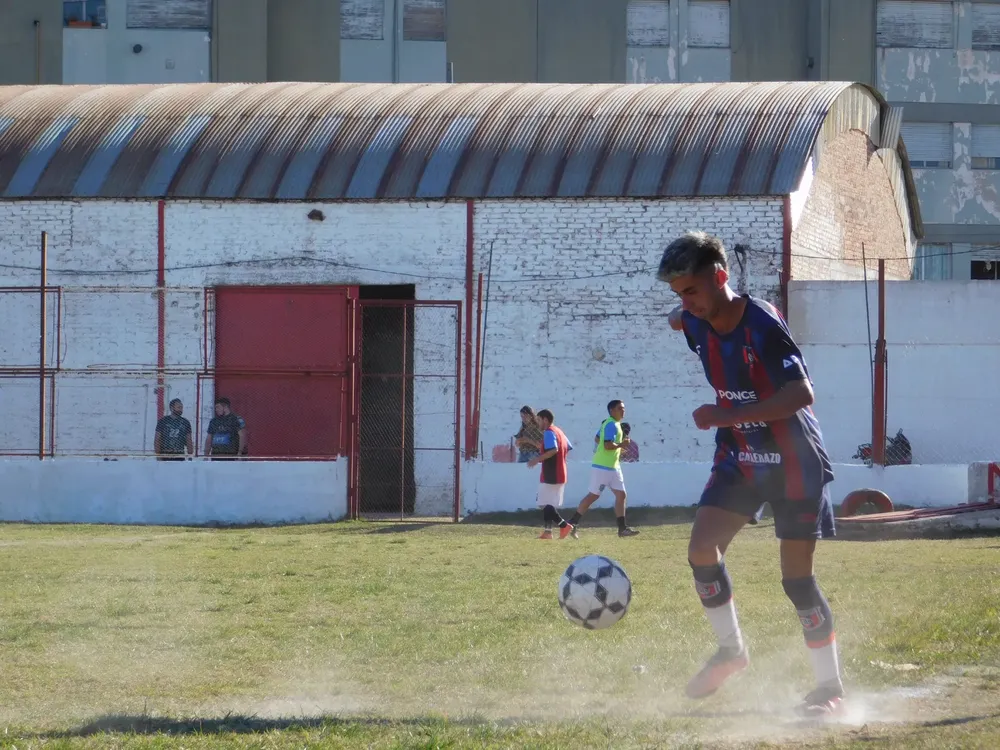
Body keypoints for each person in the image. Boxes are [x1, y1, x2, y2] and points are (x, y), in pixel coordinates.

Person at [657, 231, 843, 719]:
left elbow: (801, 394)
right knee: (701, 549)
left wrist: (724, 416)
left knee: (796, 581)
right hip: (740, 457)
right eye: (679, 294)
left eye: (692, 290)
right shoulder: (696, 321)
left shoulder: (761, 321)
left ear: (721, 276)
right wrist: (678, 314)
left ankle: (828, 689)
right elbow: (681, 321)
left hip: (794, 460)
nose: (687, 303)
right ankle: (731, 651)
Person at [566, 400, 639, 538]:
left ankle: (622, 529)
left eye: (623, 408)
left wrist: (616, 448)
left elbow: (597, 438)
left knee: (621, 495)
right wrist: (621, 444)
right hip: (603, 467)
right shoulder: (611, 424)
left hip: (613, 466)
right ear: (612, 410)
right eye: (620, 409)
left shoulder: (612, 424)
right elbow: (607, 445)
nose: (623, 411)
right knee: (593, 496)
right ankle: (572, 523)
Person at [526, 409, 574, 540]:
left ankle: (564, 525)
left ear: (545, 420)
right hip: (560, 471)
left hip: (551, 473)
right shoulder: (559, 431)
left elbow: (554, 449)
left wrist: (537, 459)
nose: (538, 423)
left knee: (543, 503)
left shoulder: (548, 432)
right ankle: (548, 532)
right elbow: (568, 447)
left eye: (539, 420)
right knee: (548, 504)